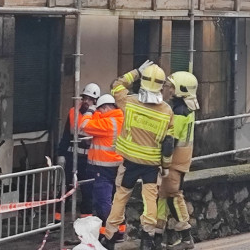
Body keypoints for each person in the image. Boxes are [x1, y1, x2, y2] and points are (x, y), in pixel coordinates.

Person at [99, 60, 174, 250]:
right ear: (161, 85)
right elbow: (168, 145)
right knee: (150, 201)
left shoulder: (129, 102)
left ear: (144, 82)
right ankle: (147, 239)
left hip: (129, 163)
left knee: (120, 199)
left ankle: (109, 237)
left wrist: (136, 72)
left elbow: (115, 85)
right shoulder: (167, 111)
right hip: (151, 165)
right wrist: (165, 168)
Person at [156, 71, 199, 250]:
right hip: (181, 159)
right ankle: (158, 235)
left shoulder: (179, 112)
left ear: (180, 89)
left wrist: (164, 162)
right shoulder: (187, 108)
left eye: (172, 86)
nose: (169, 89)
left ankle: (186, 236)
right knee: (163, 196)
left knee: (173, 195)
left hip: (174, 161)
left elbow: (170, 140)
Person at [81, 93, 125, 242]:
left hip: (103, 168)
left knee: (103, 201)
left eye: (100, 110)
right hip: (117, 166)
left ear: (105, 108)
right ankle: (117, 231)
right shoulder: (119, 119)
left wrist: (90, 110)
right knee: (115, 200)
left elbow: (84, 126)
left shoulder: (108, 123)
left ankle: (110, 232)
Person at [58, 82, 101, 217]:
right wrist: (61, 154)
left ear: (95, 101)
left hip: (88, 159)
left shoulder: (98, 115)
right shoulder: (73, 112)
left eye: (89, 99)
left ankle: (85, 221)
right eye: (84, 98)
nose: (86, 101)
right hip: (72, 155)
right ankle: (57, 218)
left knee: (87, 190)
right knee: (66, 187)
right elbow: (66, 135)